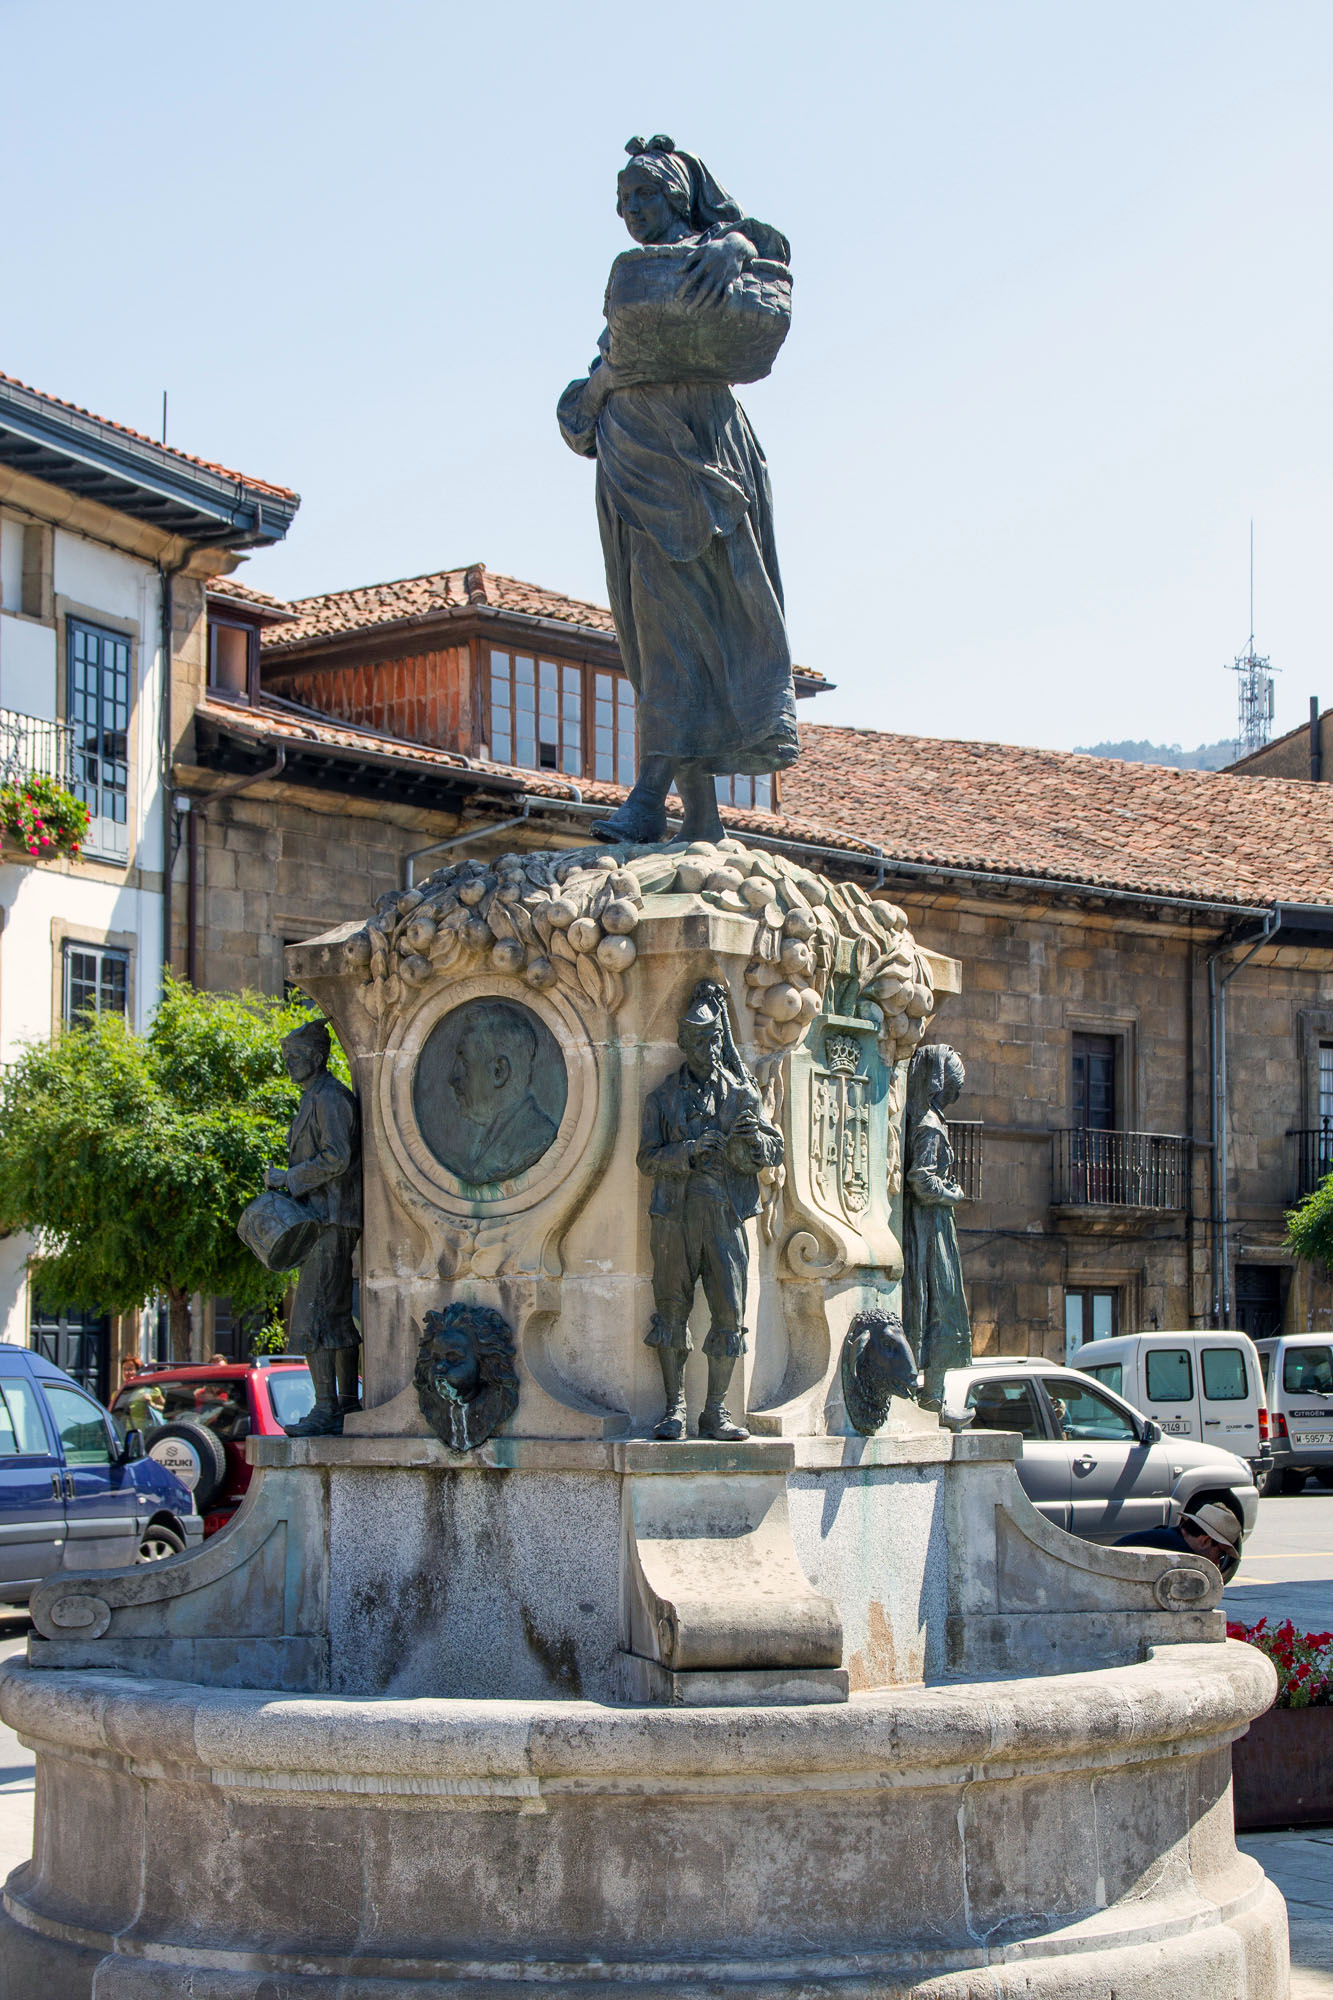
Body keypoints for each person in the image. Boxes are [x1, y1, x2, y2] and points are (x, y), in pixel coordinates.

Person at [558, 136, 797, 845]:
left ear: (678, 197)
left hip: (699, 469)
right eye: (623, 201)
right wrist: (605, 382)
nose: (633, 212)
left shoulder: (714, 264)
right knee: (661, 636)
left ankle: (648, 796)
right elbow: (577, 424)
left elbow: (771, 250)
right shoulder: (634, 292)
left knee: (686, 630)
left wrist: (738, 247)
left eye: (646, 197)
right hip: (635, 474)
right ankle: (699, 818)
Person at [637, 979, 783, 1440]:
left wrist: (755, 1142)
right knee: (671, 1311)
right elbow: (646, 1158)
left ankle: (715, 1411)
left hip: (725, 1216)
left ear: (721, 1040)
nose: (706, 1049)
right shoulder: (661, 1098)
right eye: (697, 1041)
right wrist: (688, 1152)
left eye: (713, 1039)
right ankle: (674, 1408)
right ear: (683, 1044)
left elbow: (775, 1149)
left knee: (728, 1315)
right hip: (675, 1217)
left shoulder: (741, 1095)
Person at [263, 1019, 362, 1436]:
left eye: (297, 1057)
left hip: (331, 1218)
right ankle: (343, 1403)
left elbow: (337, 1157)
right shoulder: (314, 1098)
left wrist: (289, 1178)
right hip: (323, 1219)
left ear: (318, 1058)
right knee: (332, 1315)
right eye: (287, 1058)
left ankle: (329, 1406)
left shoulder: (330, 1098)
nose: (290, 1065)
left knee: (313, 1316)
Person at [903, 1045, 972, 1407]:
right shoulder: (929, 1125)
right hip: (931, 1227)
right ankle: (931, 1395)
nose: (956, 1095)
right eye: (954, 1087)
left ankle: (932, 1392)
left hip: (931, 1225)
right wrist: (951, 1194)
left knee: (938, 1304)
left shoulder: (928, 1120)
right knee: (941, 1304)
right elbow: (921, 1180)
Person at [447, 1006, 557, 1184]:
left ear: (499, 1071)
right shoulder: (488, 1137)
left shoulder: (534, 1139)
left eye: (464, 1062)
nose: (452, 1077)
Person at [1115, 1502, 1243, 1583]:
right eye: (1219, 1554)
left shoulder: (1170, 1536)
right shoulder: (1181, 1557)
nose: (1217, 1563)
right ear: (1205, 1541)